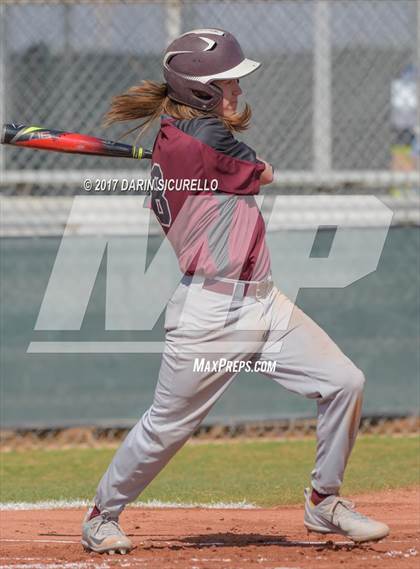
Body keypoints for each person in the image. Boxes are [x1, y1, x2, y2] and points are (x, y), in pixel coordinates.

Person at [81, 28, 389, 554]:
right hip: (210, 312)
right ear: (200, 92)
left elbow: (219, 163)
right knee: (167, 429)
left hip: (263, 300)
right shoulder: (202, 139)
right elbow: (264, 172)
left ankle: (324, 501)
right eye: (228, 83)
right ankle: (100, 515)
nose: (238, 92)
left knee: (344, 382)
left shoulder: (187, 140)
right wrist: (200, 162)